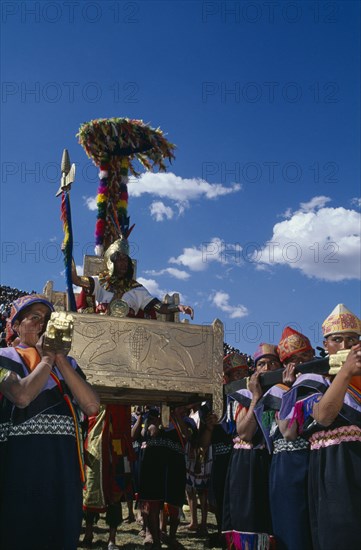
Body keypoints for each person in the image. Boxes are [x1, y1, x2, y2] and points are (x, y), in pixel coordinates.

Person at [0, 294, 100, 550]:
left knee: (61, 533)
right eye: (35, 318)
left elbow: (91, 405)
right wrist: (46, 359)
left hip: (62, 467)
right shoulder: (5, 356)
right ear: (17, 325)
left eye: (48, 319)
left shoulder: (67, 365)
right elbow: (21, 396)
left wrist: (61, 360)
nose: (43, 324)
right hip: (20, 466)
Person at [279, 304, 361, 550]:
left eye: (352, 339)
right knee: (339, 533)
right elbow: (323, 416)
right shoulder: (312, 378)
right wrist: (345, 373)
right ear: (326, 345)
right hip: (333, 465)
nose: (345, 346)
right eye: (337, 340)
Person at [222, 344, 282, 549]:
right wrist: (256, 397)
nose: (267, 368)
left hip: (272, 462)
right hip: (247, 463)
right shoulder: (246, 395)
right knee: (248, 518)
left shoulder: (283, 391)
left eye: (273, 363)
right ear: (255, 370)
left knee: (269, 519)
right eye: (262, 364)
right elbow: (245, 432)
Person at [264, 327, 315, 550]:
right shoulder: (279, 390)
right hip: (288, 466)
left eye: (306, 357)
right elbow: (288, 431)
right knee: (292, 526)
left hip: (317, 461)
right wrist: (292, 389)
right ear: (287, 365)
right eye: (295, 359)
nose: (303, 362)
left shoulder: (322, 382)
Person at [71, 237, 194, 320]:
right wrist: (68, 257)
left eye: (125, 260)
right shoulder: (99, 282)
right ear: (111, 263)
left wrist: (178, 307)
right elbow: (76, 280)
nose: (123, 263)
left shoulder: (138, 289)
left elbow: (160, 308)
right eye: (119, 260)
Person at [200, 352, 249, 549]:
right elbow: (202, 446)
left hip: (244, 459)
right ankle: (225, 539)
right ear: (225, 378)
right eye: (237, 375)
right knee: (222, 504)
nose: (242, 378)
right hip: (221, 462)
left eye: (245, 373)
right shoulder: (212, 404)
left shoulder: (252, 397)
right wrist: (210, 427)